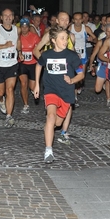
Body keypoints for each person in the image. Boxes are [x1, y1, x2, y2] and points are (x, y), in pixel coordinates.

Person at [33, 26, 84, 164]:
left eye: (66, 38)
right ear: (54, 40)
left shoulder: (72, 56)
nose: (65, 40)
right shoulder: (47, 55)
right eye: (62, 38)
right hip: (50, 90)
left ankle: (49, 128)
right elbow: (38, 65)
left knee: (57, 122)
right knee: (50, 116)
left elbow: (81, 74)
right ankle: (48, 150)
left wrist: (72, 80)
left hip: (66, 93)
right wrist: (37, 84)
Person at [33, 11, 76, 145]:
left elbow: (73, 55)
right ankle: (51, 129)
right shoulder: (48, 35)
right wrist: (47, 62)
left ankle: (64, 132)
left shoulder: (71, 37)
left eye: (67, 20)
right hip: (51, 76)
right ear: (57, 21)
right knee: (52, 111)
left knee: (68, 104)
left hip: (66, 75)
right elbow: (36, 50)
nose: (64, 22)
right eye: (62, 19)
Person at [0, 8, 22, 128]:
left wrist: (20, 52)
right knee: (1, 92)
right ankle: (1, 100)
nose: (8, 17)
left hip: (12, 64)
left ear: (13, 17)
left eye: (10, 15)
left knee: (10, 89)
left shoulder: (17, 29)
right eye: (5, 15)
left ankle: (9, 116)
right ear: (1, 17)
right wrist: (4, 46)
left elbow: (18, 41)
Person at [18, 18, 40, 113]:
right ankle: (26, 105)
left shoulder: (34, 37)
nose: (24, 29)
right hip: (22, 64)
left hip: (33, 64)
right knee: (23, 84)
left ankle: (33, 90)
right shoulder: (17, 37)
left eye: (26, 27)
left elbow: (40, 49)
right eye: (22, 27)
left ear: (28, 27)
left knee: (32, 86)